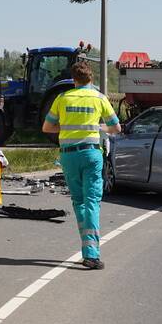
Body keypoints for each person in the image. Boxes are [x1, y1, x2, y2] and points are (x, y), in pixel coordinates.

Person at [41, 61, 121, 269]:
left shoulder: (62, 98)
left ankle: (87, 248)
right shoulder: (99, 98)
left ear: (73, 79)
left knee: (79, 201)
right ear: (91, 78)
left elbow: (47, 127)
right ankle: (91, 254)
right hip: (91, 154)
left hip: (68, 156)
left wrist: (66, 127)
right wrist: (98, 126)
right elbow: (116, 128)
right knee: (92, 201)